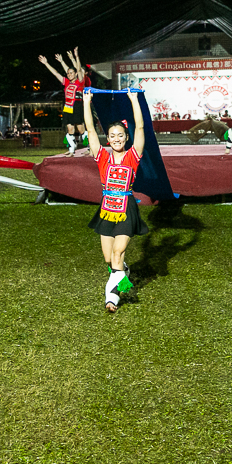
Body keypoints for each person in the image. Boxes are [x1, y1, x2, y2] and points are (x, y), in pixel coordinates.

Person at [82, 88, 148, 312]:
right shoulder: (102, 157)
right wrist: (87, 102)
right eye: (112, 136)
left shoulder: (133, 156)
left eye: (121, 135)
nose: (117, 139)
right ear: (108, 139)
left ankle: (112, 298)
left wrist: (133, 99)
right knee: (109, 260)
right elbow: (90, 129)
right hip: (106, 208)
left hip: (127, 209)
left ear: (126, 137)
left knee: (118, 252)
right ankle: (124, 276)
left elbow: (140, 126)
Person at [38, 47, 90, 155]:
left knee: (80, 128)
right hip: (67, 106)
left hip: (77, 104)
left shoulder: (80, 82)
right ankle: (71, 149)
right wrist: (46, 63)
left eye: (71, 73)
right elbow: (56, 73)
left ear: (76, 74)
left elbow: (79, 69)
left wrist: (76, 57)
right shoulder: (66, 82)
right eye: (68, 73)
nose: (69, 74)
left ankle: (90, 147)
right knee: (69, 127)